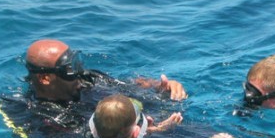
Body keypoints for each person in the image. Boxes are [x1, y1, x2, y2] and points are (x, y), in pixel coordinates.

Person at [25, 38, 187, 104]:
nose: (79, 72)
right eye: (69, 68)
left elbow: (132, 84)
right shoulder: (35, 113)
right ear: (45, 78)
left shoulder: (90, 78)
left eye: (77, 62)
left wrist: (160, 85)